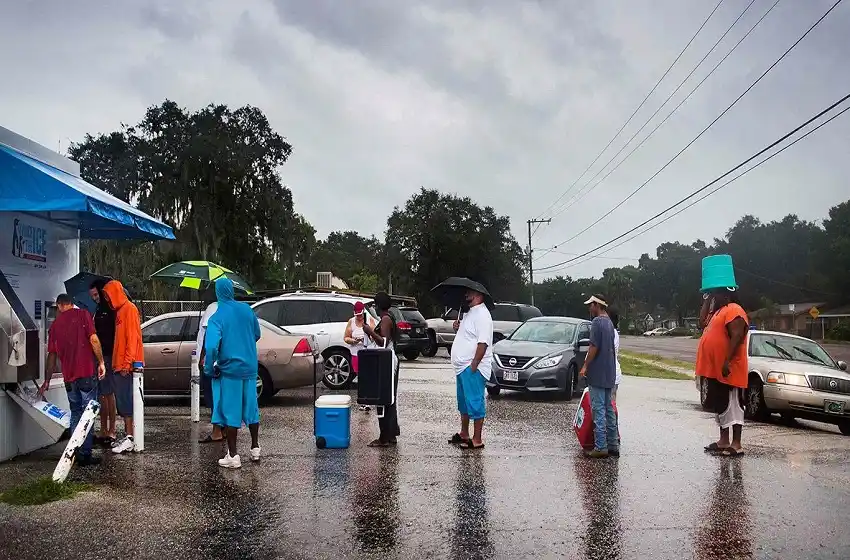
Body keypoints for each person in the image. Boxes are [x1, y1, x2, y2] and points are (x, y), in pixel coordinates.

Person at [39, 294, 107, 466]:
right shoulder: (83, 315)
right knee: (88, 412)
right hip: (86, 373)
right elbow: (93, 339)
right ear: (71, 304)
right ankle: (85, 454)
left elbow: (51, 357)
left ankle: (74, 452)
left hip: (69, 378)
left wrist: (47, 381)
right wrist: (101, 362)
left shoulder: (54, 326)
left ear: (60, 305)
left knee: (76, 413)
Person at [204, 277, 262, 468]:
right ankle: (255, 448)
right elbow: (257, 334)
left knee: (230, 411)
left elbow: (211, 346)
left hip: (230, 369)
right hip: (250, 368)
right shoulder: (246, 309)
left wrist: (209, 367)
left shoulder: (216, 317)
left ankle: (233, 455)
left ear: (218, 293)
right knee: (251, 408)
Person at [697, 287, 749, 456]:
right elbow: (701, 322)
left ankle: (736, 443)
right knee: (721, 405)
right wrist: (707, 298)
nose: (714, 298)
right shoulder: (718, 312)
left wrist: (727, 361)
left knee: (734, 405)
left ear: (726, 295)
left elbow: (737, 336)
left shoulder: (735, 310)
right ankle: (724, 440)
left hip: (731, 369)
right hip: (716, 370)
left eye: (716, 294)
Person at [102, 280, 144, 455]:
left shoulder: (130, 309)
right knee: (123, 402)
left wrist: (127, 363)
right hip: (120, 365)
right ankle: (129, 436)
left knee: (127, 402)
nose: (107, 300)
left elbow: (132, 338)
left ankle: (130, 437)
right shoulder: (120, 312)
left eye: (108, 296)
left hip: (127, 366)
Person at [448, 288, 493, 450]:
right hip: (462, 367)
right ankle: (464, 433)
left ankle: (477, 439)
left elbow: (483, 343)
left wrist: (474, 364)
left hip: (472, 367)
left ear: (479, 295)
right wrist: (457, 327)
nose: (465, 294)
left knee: (475, 402)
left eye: (469, 292)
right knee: (464, 403)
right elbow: (467, 336)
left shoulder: (483, 315)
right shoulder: (469, 312)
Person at [579, 294, 619, 458]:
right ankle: (613, 445)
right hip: (609, 372)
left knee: (599, 409)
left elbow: (593, 347)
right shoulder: (610, 323)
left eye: (591, 305)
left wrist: (586, 365)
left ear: (597, 305)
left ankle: (600, 446)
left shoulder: (596, 323)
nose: (590, 308)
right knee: (609, 409)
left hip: (598, 372)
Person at [362, 292, 400, 447]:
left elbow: (383, 342)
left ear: (378, 306)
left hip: (387, 362)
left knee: (383, 399)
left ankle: (384, 437)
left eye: (375, 305)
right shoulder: (389, 317)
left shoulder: (385, 319)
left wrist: (369, 331)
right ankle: (391, 434)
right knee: (389, 399)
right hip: (388, 360)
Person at [89, 280, 117, 446]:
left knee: (109, 394)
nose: (94, 298)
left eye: (96, 294)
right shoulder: (97, 310)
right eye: (92, 296)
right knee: (101, 394)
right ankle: (103, 429)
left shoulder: (111, 309)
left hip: (109, 354)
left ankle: (112, 429)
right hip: (99, 354)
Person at [196, 292, 222, 444]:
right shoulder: (227, 309)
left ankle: (216, 431)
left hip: (209, 361)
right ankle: (222, 429)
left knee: (212, 396)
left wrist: (202, 358)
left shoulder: (212, 307)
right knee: (219, 396)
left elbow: (208, 335)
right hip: (221, 361)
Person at [344, 301, 375, 412]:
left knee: (367, 377)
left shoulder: (369, 320)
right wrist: (353, 340)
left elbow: (375, 336)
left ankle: (368, 400)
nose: (359, 317)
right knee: (360, 378)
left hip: (367, 353)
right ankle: (363, 400)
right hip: (355, 353)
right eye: (357, 315)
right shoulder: (351, 322)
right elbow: (346, 337)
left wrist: (367, 336)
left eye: (360, 315)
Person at [609, 308, 622, 403]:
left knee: (609, 407)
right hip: (612, 374)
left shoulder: (612, 333)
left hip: (611, 375)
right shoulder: (613, 333)